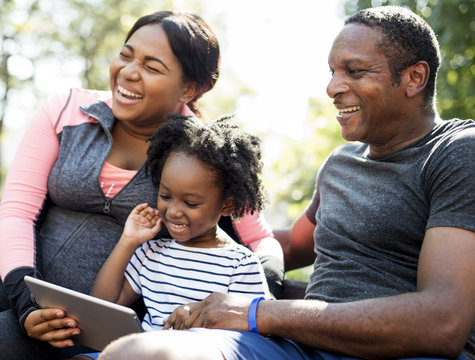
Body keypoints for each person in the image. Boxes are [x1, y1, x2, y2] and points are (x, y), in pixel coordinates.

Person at [96, 6, 475, 360]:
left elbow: (444, 320)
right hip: (301, 348)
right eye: (332, 72)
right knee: (132, 351)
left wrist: (261, 312)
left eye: (355, 72)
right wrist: (192, 231)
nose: (332, 88)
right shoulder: (341, 164)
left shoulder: (456, 152)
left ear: (414, 78)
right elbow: (292, 245)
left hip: (392, 352)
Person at [0, 10, 283, 360]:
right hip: (28, 306)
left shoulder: (201, 156)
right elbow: (16, 212)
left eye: (152, 67)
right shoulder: (66, 111)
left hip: (115, 337)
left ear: (189, 88)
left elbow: (259, 240)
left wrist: (252, 296)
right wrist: (26, 305)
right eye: (126, 54)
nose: (128, 72)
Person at [72, 115, 271, 360]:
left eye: (191, 202)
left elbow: (254, 337)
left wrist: (199, 318)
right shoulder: (151, 252)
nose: (173, 210)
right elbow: (101, 305)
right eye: (165, 196)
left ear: (227, 205)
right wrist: (128, 242)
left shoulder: (240, 264)